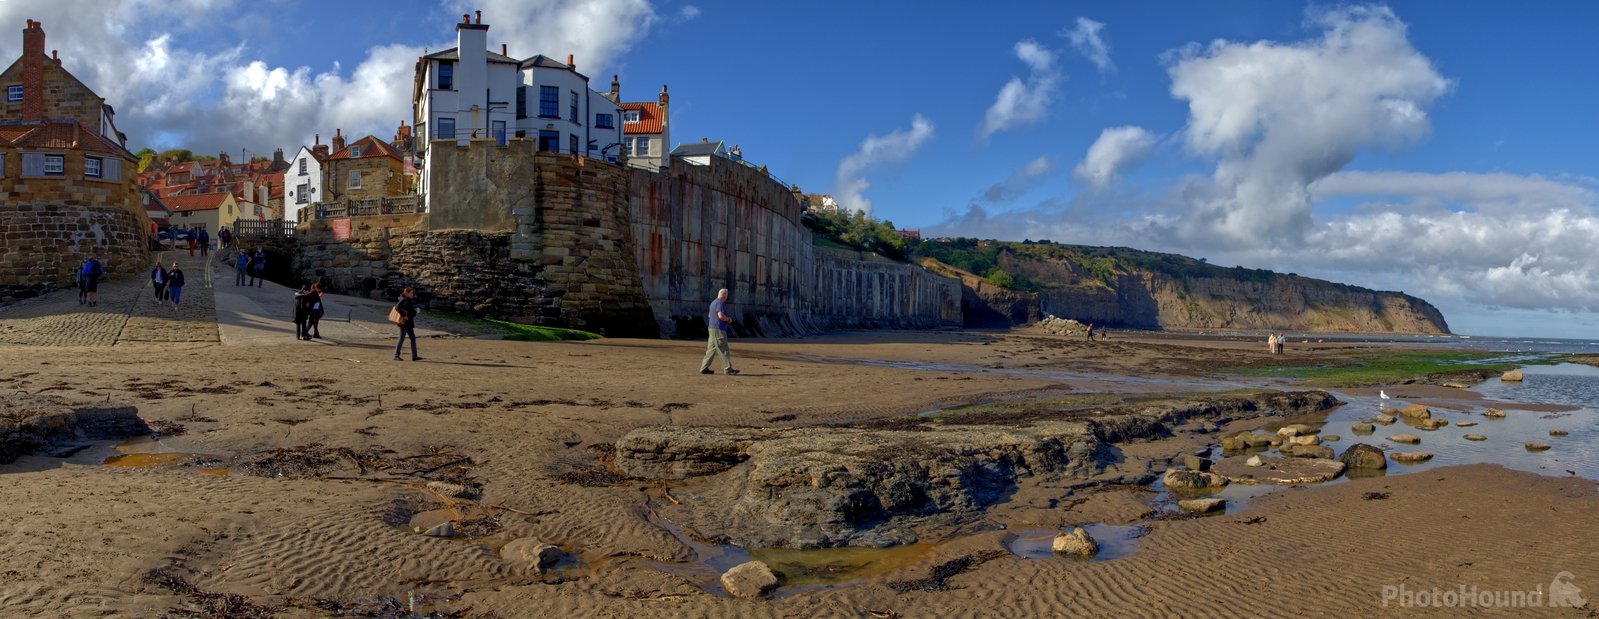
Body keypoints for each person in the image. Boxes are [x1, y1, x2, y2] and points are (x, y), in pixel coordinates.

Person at [698, 288, 738, 375]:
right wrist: (728, 320)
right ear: (724, 295)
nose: (727, 297)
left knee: (711, 349)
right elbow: (720, 316)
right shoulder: (720, 303)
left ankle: (704, 368)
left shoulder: (713, 303)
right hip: (718, 329)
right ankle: (728, 369)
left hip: (711, 328)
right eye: (726, 296)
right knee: (723, 348)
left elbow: (709, 315)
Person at [393, 287, 421, 361]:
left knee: (412, 338)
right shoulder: (404, 299)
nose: (412, 294)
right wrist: (404, 315)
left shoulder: (407, 300)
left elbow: (410, 312)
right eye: (411, 293)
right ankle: (396, 355)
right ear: (407, 293)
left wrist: (415, 312)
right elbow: (397, 307)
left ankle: (414, 356)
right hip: (404, 323)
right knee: (402, 339)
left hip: (409, 323)